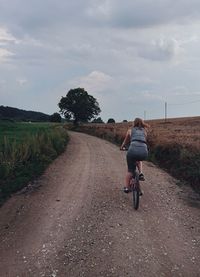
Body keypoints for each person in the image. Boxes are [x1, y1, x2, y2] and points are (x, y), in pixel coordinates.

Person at [120, 118, 149, 193]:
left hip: (132, 150)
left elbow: (125, 141)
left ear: (134, 123)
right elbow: (144, 140)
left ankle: (127, 187)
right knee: (139, 160)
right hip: (144, 151)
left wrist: (122, 147)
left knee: (130, 170)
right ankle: (141, 173)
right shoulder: (145, 131)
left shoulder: (130, 130)